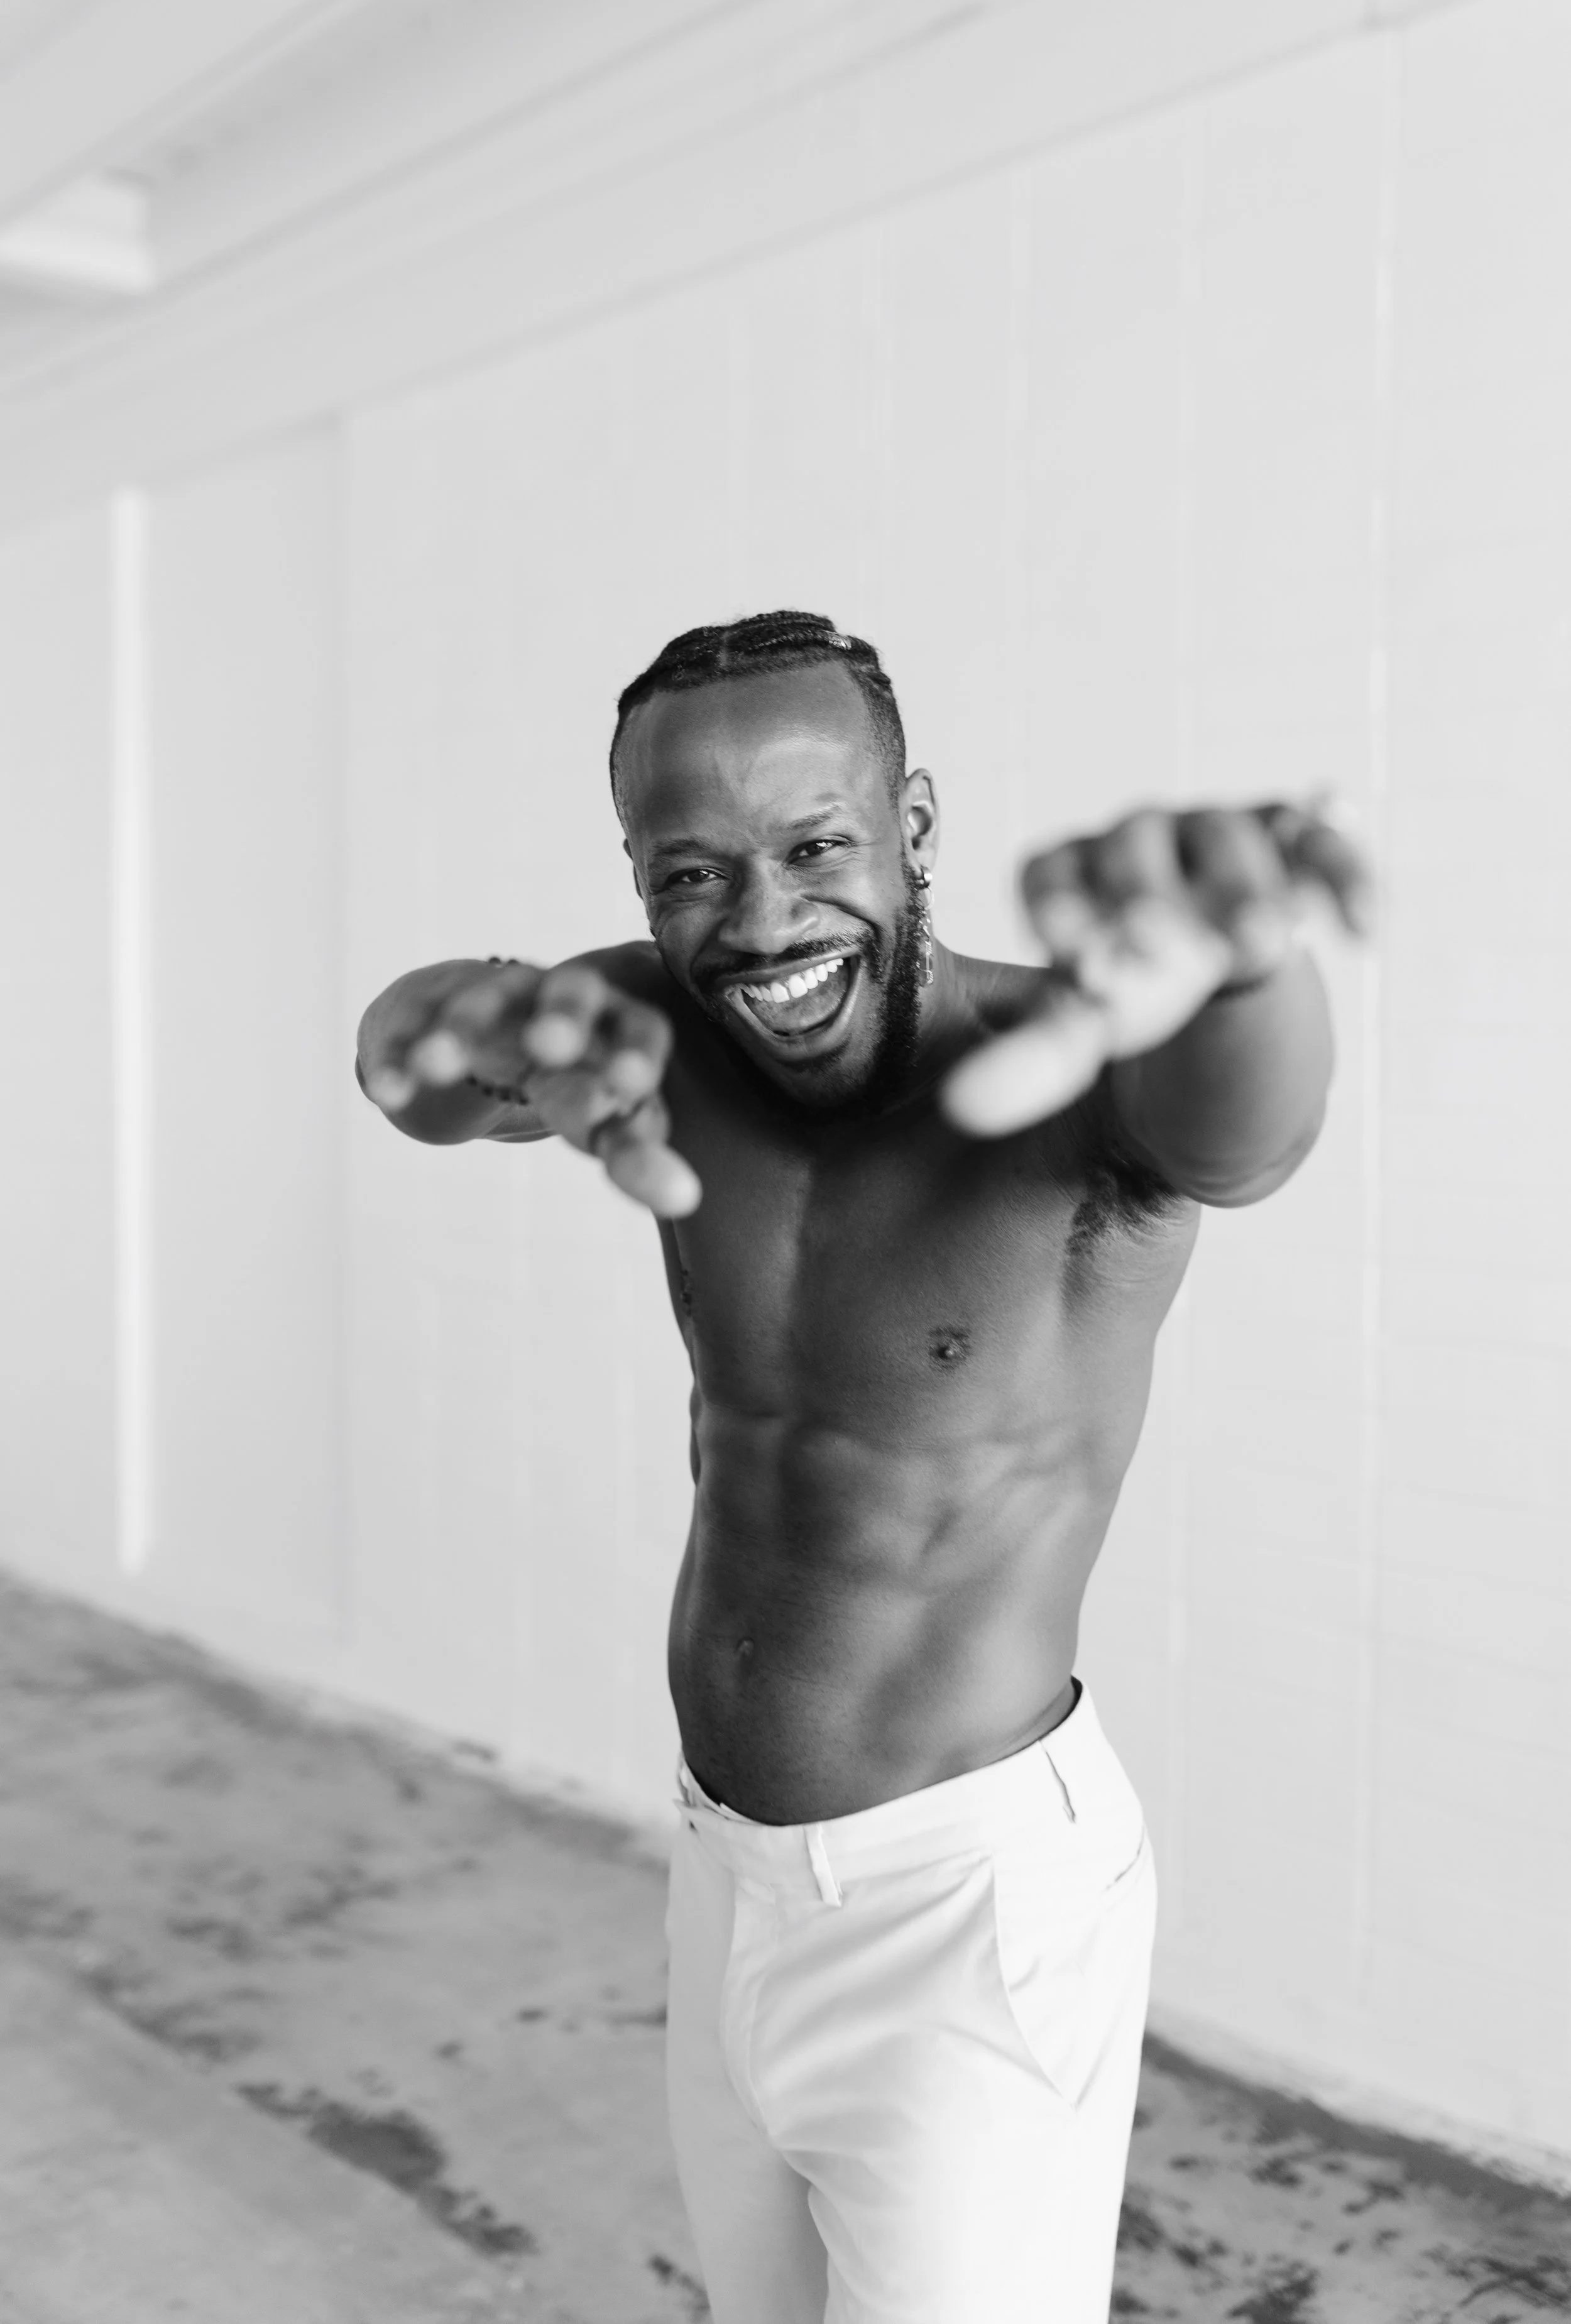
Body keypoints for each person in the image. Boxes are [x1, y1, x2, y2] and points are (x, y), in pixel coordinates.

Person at [356, 610, 1371, 2324]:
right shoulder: (639, 1029)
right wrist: (455, 1023)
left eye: (813, 844)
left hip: (964, 1914)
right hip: (720, 1873)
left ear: (911, 825)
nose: (756, 923)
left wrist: (1246, 959)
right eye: (687, 872)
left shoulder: (1080, 1080)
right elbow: (419, 1074)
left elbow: (1242, 1138)